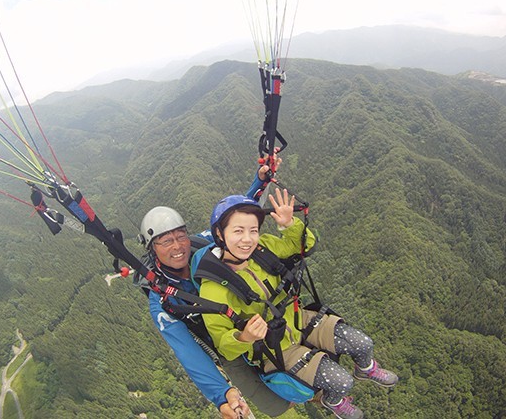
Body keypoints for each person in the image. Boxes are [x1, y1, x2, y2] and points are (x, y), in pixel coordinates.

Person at [195, 189, 398, 419]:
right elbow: (223, 345)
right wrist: (245, 337)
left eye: (253, 230)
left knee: (363, 344)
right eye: (238, 231)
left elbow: (304, 245)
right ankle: (333, 402)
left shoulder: (263, 247)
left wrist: (290, 224)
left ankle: (366, 368)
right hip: (274, 349)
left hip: (297, 318)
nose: (248, 239)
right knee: (342, 382)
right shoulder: (213, 289)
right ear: (220, 235)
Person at [138, 163, 290, 419]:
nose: (177, 246)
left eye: (180, 236)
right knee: (279, 408)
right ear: (152, 249)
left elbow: (234, 220)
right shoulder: (162, 300)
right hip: (229, 350)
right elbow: (187, 352)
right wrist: (222, 395)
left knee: (300, 381)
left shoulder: (201, 243)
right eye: (165, 241)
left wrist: (260, 180)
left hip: (257, 325)